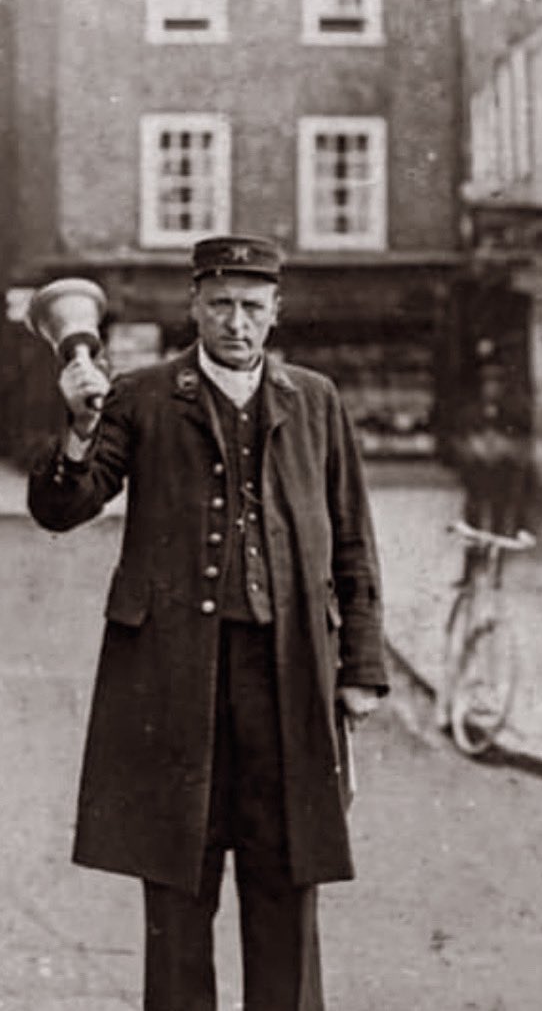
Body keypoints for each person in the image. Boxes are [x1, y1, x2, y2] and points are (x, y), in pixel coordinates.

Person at [27, 235, 387, 1011]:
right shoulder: (141, 396)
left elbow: (352, 537)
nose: (236, 322)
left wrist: (360, 668)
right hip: (171, 674)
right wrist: (79, 424)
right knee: (176, 884)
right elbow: (63, 508)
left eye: (252, 307)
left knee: (285, 875)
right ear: (193, 306)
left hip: (287, 672)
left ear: (275, 313)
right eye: (219, 304)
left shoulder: (315, 400)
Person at [451, 356, 533, 585]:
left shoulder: (513, 413)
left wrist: (504, 448)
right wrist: (472, 449)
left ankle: (495, 573)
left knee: (498, 524)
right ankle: (469, 572)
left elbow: (523, 442)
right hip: (476, 476)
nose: (491, 388)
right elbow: (458, 440)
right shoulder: (470, 412)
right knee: (472, 524)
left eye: (496, 383)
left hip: (500, 476)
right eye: (487, 383)